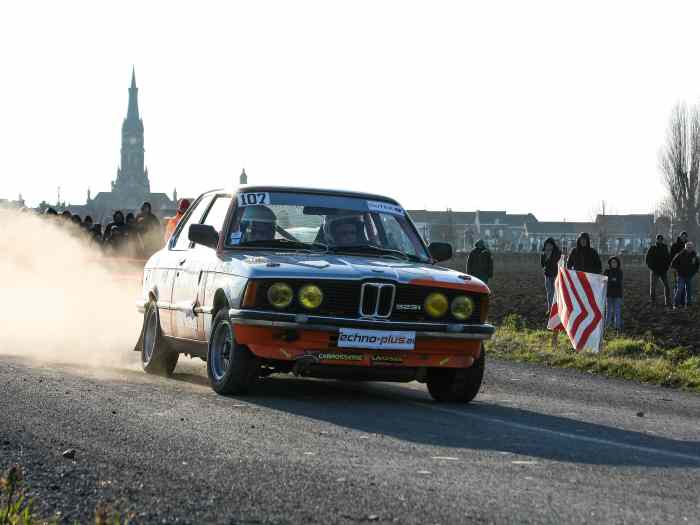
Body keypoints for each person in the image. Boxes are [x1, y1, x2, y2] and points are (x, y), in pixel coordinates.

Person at [671, 241, 699, 308]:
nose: (689, 249)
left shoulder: (694, 255)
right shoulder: (680, 254)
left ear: (692, 248)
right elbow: (673, 263)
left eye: (691, 247)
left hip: (689, 275)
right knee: (680, 289)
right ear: (685, 248)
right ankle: (676, 304)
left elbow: (697, 265)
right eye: (688, 247)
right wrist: (677, 269)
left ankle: (689, 303)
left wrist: (694, 272)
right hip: (681, 275)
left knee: (689, 290)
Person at [645, 234, 671, 306]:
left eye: (661, 239)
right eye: (659, 239)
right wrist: (651, 267)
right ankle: (653, 301)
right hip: (655, 271)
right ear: (656, 240)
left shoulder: (665, 248)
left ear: (662, 240)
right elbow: (647, 259)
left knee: (667, 286)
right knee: (653, 286)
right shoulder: (652, 248)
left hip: (663, 271)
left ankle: (667, 300)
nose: (660, 240)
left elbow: (668, 258)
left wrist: (667, 267)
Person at [540, 237, 561, 313]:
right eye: (547, 245)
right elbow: (542, 264)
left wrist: (550, 258)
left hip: (556, 275)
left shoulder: (557, 253)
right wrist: (546, 258)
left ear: (553, 245)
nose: (548, 246)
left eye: (550, 245)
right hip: (548, 275)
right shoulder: (543, 253)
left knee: (555, 292)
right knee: (549, 293)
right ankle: (550, 309)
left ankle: (557, 309)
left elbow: (556, 263)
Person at [604, 256, 623, 330]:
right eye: (612, 262)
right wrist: (612, 280)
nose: (613, 263)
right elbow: (604, 280)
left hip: (617, 294)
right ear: (610, 263)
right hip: (608, 294)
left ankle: (617, 326)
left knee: (617, 311)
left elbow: (618, 281)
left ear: (617, 263)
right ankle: (607, 326)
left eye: (615, 262)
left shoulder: (620, 272)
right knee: (608, 311)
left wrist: (611, 280)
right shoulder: (607, 271)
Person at [670, 231, 689, 297]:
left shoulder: (688, 246)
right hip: (677, 268)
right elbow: (671, 256)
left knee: (684, 285)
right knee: (677, 284)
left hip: (686, 268)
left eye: (685, 237)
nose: (684, 238)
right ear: (680, 237)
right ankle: (676, 300)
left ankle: (682, 300)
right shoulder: (675, 245)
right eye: (682, 237)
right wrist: (673, 267)